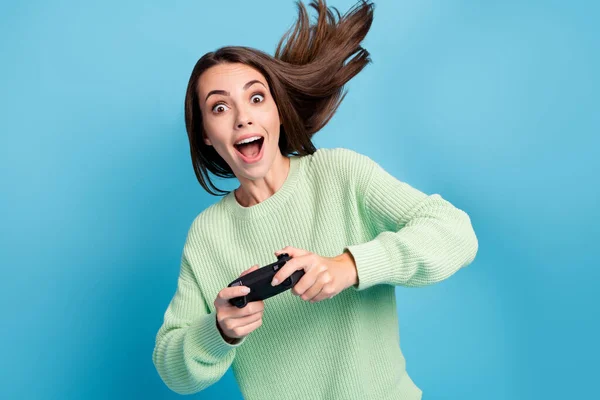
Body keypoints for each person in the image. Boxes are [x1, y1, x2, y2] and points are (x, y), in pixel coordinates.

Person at [152, 1, 478, 399]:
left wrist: (350, 265)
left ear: (276, 110)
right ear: (205, 133)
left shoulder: (341, 174)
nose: (242, 118)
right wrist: (217, 331)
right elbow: (172, 369)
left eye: (256, 98)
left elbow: (456, 232)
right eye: (219, 107)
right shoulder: (207, 235)